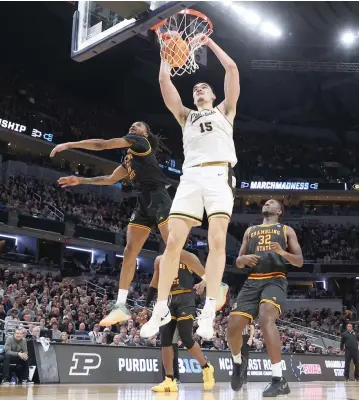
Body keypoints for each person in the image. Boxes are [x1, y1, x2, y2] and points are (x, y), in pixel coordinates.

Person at [51, 121, 204, 326]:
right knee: (130, 250)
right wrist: (81, 180)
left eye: (139, 125)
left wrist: (69, 144)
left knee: (174, 250)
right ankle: (121, 305)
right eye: (132, 124)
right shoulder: (129, 158)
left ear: (146, 133)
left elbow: (103, 145)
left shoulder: (140, 143)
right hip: (143, 204)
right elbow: (110, 179)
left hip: (160, 200)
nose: (133, 126)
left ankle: (213, 281)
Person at [143, 35, 240, 340]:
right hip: (190, 178)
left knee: (217, 242)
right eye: (195, 88)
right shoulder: (186, 116)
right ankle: (160, 307)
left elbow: (233, 69)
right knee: (173, 244)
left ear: (212, 95)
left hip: (218, 176)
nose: (198, 89)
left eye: (204, 88)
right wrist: (166, 55)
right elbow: (163, 81)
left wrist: (209, 43)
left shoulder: (225, 111)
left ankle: (209, 310)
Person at [226, 199, 303, 397]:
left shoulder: (286, 230)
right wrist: (241, 260)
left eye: (272, 203)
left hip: (275, 279)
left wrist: (282, 252)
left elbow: (299, 262)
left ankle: (278, 379)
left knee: (266, 318)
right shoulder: (250, 231)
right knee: (232, 328)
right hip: (252, 280)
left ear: (279, 210)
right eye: (266, 202)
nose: (267, 204)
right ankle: (238, 362)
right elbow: (238, 262)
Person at [146, 255, 215, 392]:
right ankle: (169, 379)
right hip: (167, 299)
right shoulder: (159, 259)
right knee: (165, 340)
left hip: (186, 298)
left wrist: (202, 283)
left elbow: (208, 275)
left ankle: (206, 367)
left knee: (186, 338)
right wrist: (146, 306)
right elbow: (154, 283)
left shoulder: (188, 257)